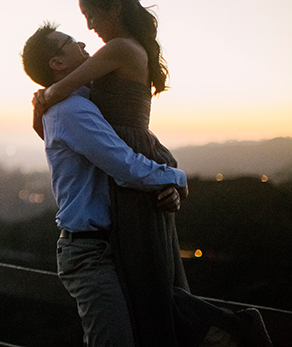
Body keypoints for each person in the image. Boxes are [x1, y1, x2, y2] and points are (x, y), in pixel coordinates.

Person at [22, 22, 272, 346]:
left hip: (116, 244)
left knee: (153, 324)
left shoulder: (84, 101)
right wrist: (176, 178)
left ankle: (237, 330)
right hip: (90, 252)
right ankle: (240, 331)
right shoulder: (72, 110)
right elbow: (124, 165)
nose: (83, 43)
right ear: (57, 62)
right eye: (70, 41)